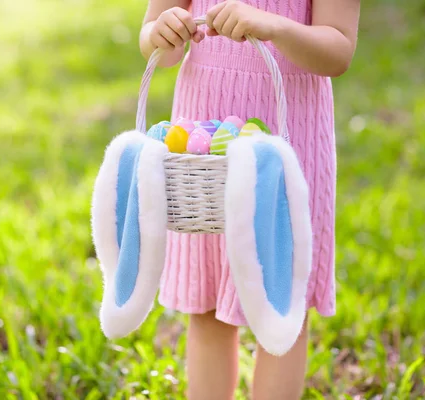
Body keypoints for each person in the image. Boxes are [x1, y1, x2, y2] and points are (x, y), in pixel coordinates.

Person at [138, 1, 360, 399]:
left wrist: (276, 26)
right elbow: (157, 38)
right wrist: (162, 31)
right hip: (204, 141)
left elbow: (338, 50)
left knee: (280, 303)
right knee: (205, 304)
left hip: (287, 132)